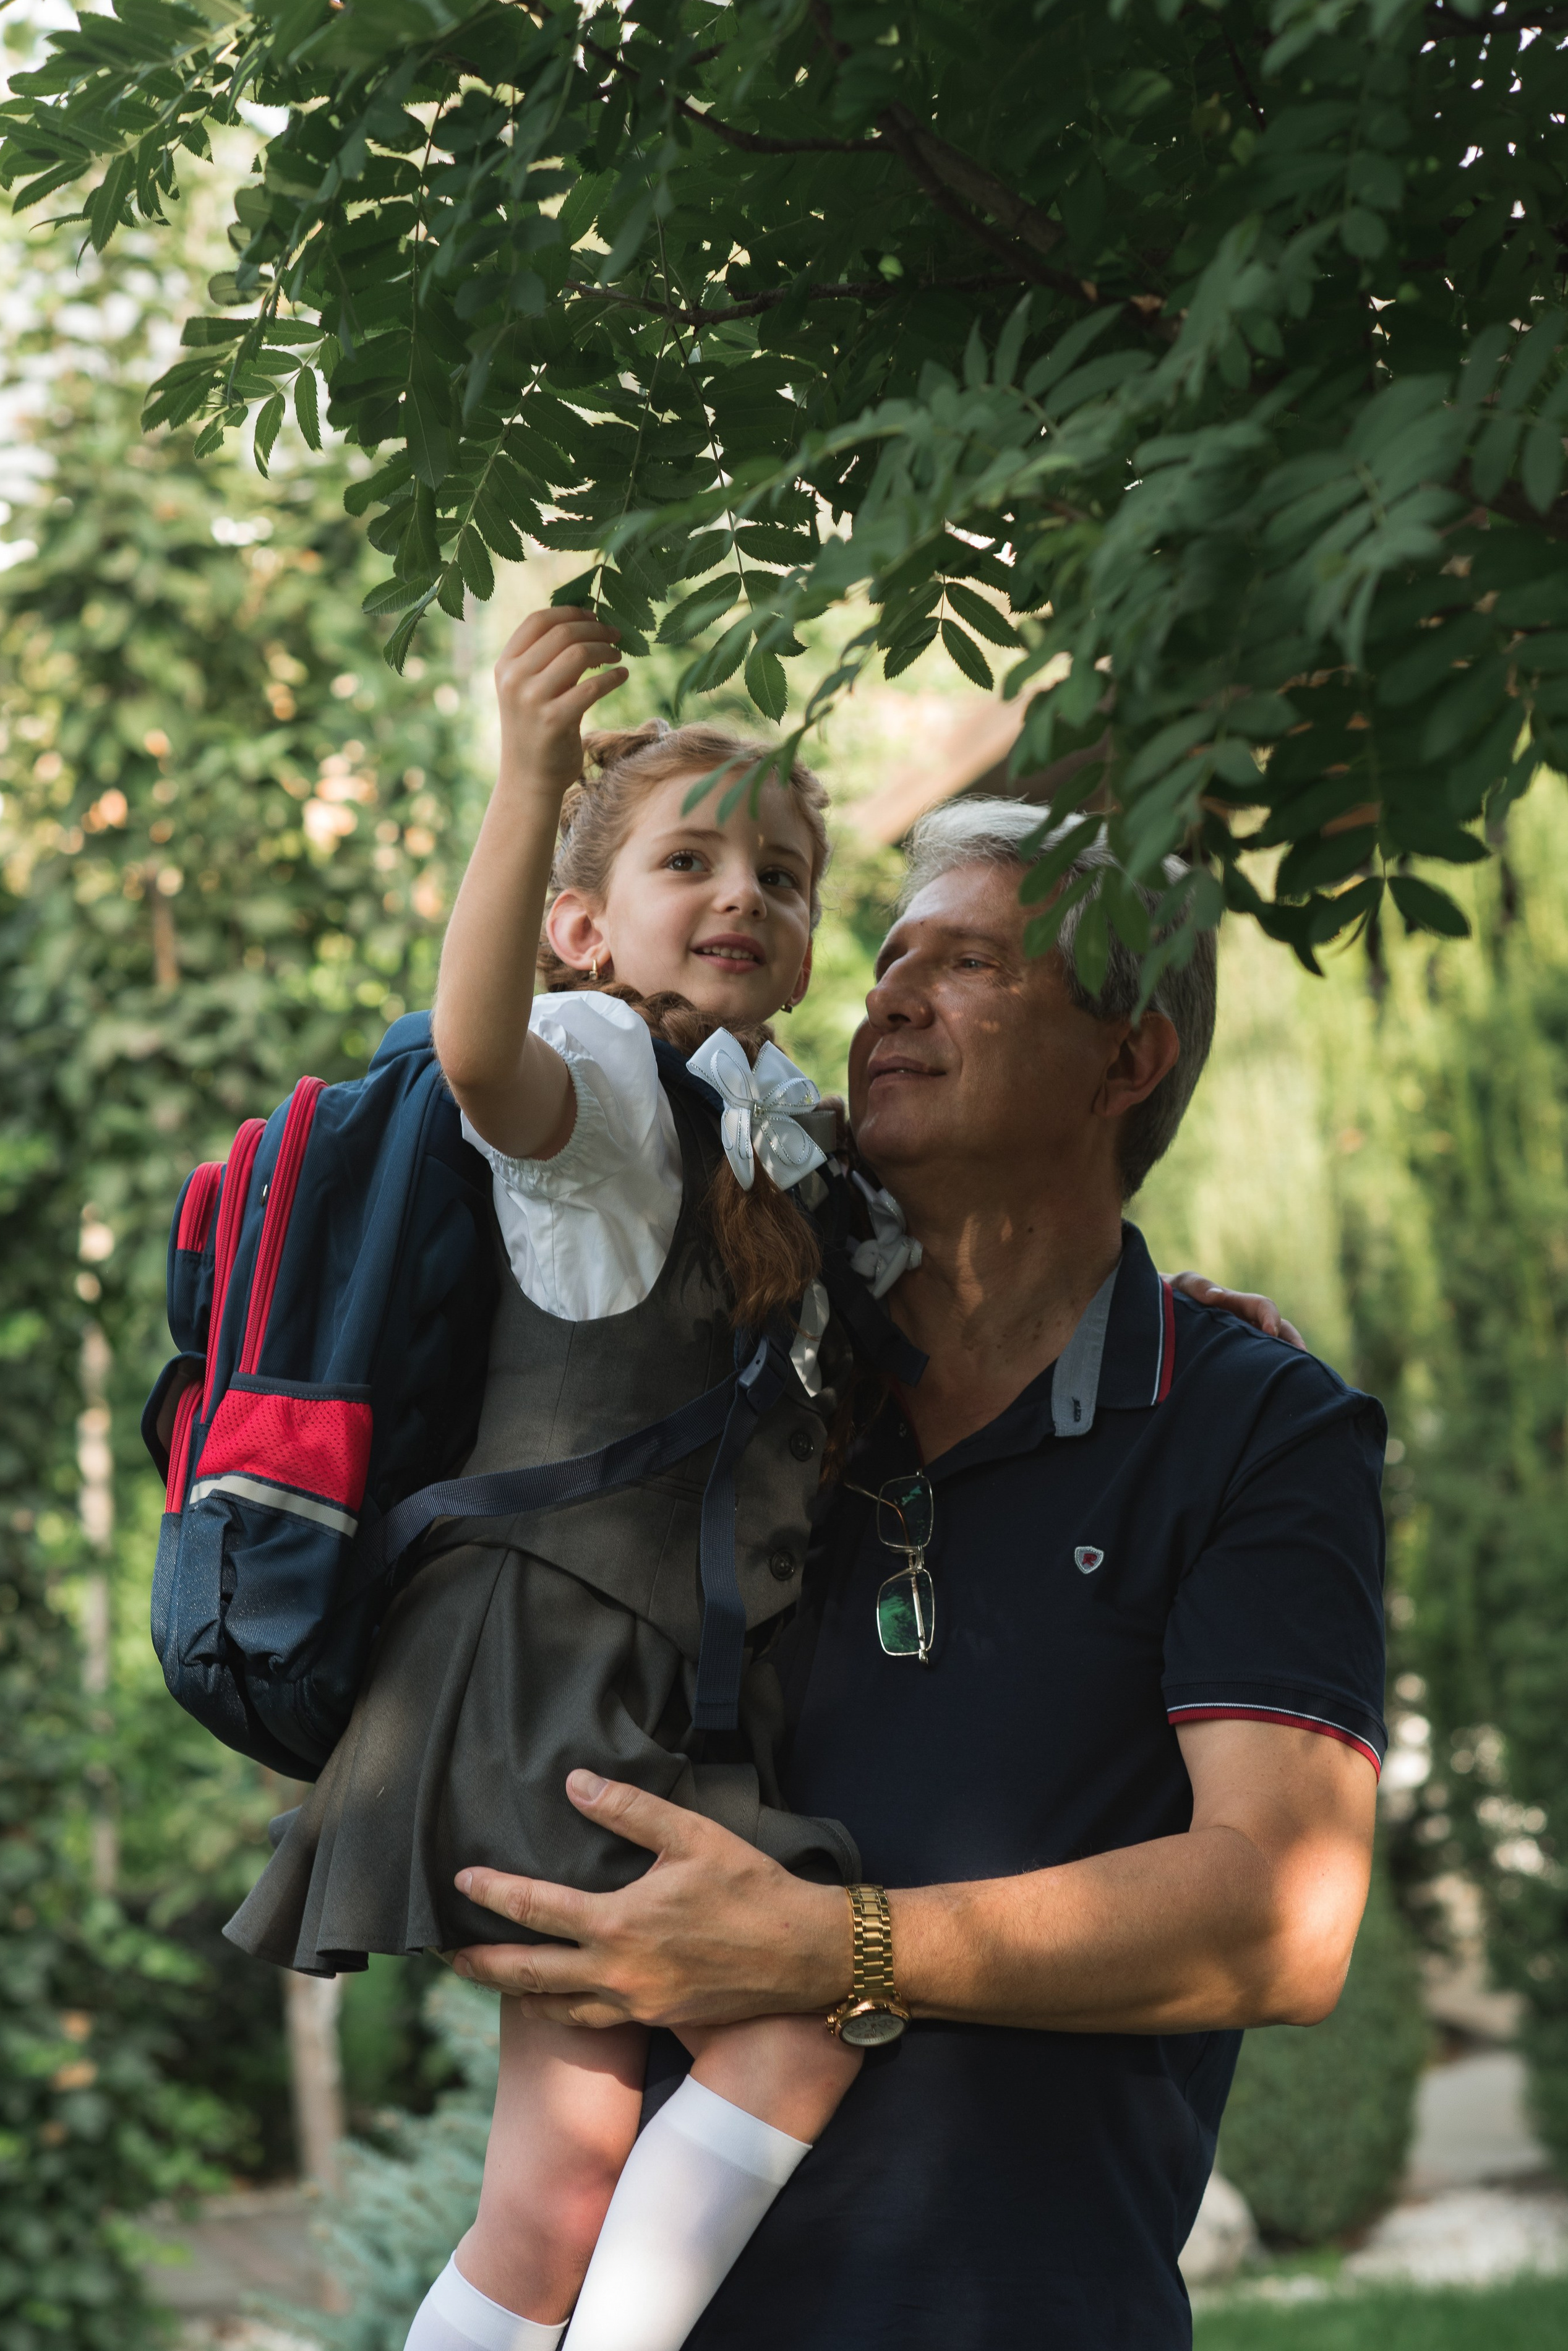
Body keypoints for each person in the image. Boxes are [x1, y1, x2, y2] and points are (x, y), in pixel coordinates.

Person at [447, 799, 1388, 2351]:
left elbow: (1279, 1924)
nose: (889, 994)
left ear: (1126, 1060)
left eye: (970, 964)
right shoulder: (737, 1377)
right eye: (887, 959)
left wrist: (833, 1946)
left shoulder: (1252, 1425)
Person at [226, 607, 872, 2351]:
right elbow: (477, 1053)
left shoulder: (772, 1115)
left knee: (565, 2174)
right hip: (543, 1675)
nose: (746, 891)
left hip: (620, 1684)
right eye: (692, 857)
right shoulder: (594, 1076)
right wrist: (524, 784)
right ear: (588, 926)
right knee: (779, 2032)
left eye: (785, 871)